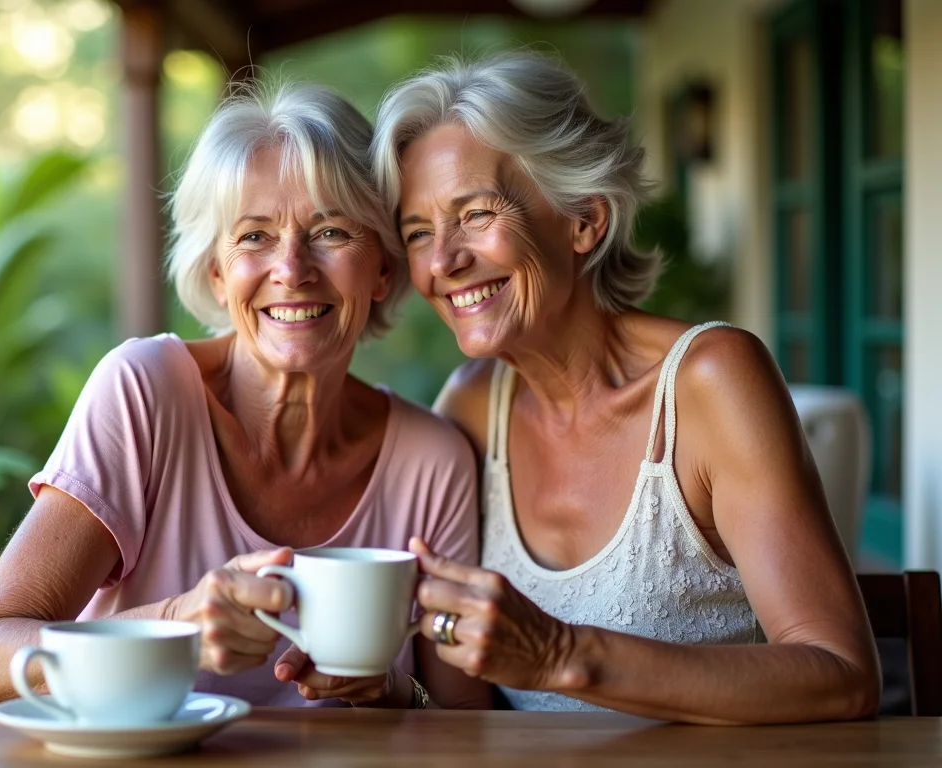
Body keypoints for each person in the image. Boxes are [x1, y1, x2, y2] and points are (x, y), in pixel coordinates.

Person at [369, 53, 880, 724]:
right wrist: (383, 689)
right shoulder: (470, 405)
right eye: (418, 233)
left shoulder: (710, 382)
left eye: (475, 215)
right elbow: (460, 696)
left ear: (585, 220)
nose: (443, 261)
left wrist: (561, 656)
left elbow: (842, 677)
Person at [0, 81, 490, 710]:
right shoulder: (144, 393)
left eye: (332, 232)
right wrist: (176, 623)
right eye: (255, 236)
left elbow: (462, 720)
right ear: (216, 269)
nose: (291, 269)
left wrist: (392, 689)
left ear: (384, 270)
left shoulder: (433, 460)